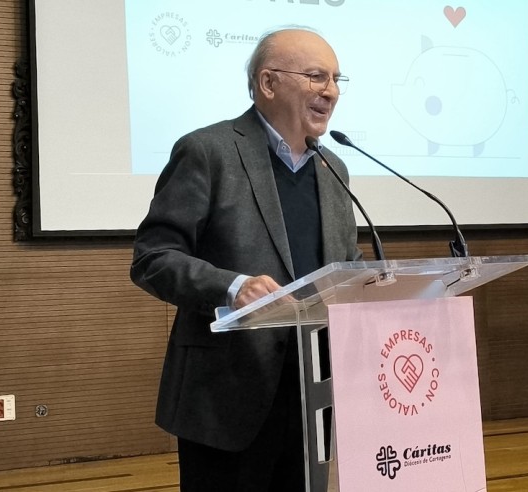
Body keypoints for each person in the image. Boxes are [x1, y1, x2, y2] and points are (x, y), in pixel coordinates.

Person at [130, 27, 362, 492]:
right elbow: (153, 258)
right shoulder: (208, 151)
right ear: (268, 83)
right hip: (226, 394)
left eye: (337, 79)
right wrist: (233, 288)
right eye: (316, 76)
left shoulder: (334, 168)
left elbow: (347, 266)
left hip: (314, 394)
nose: (331, 91)